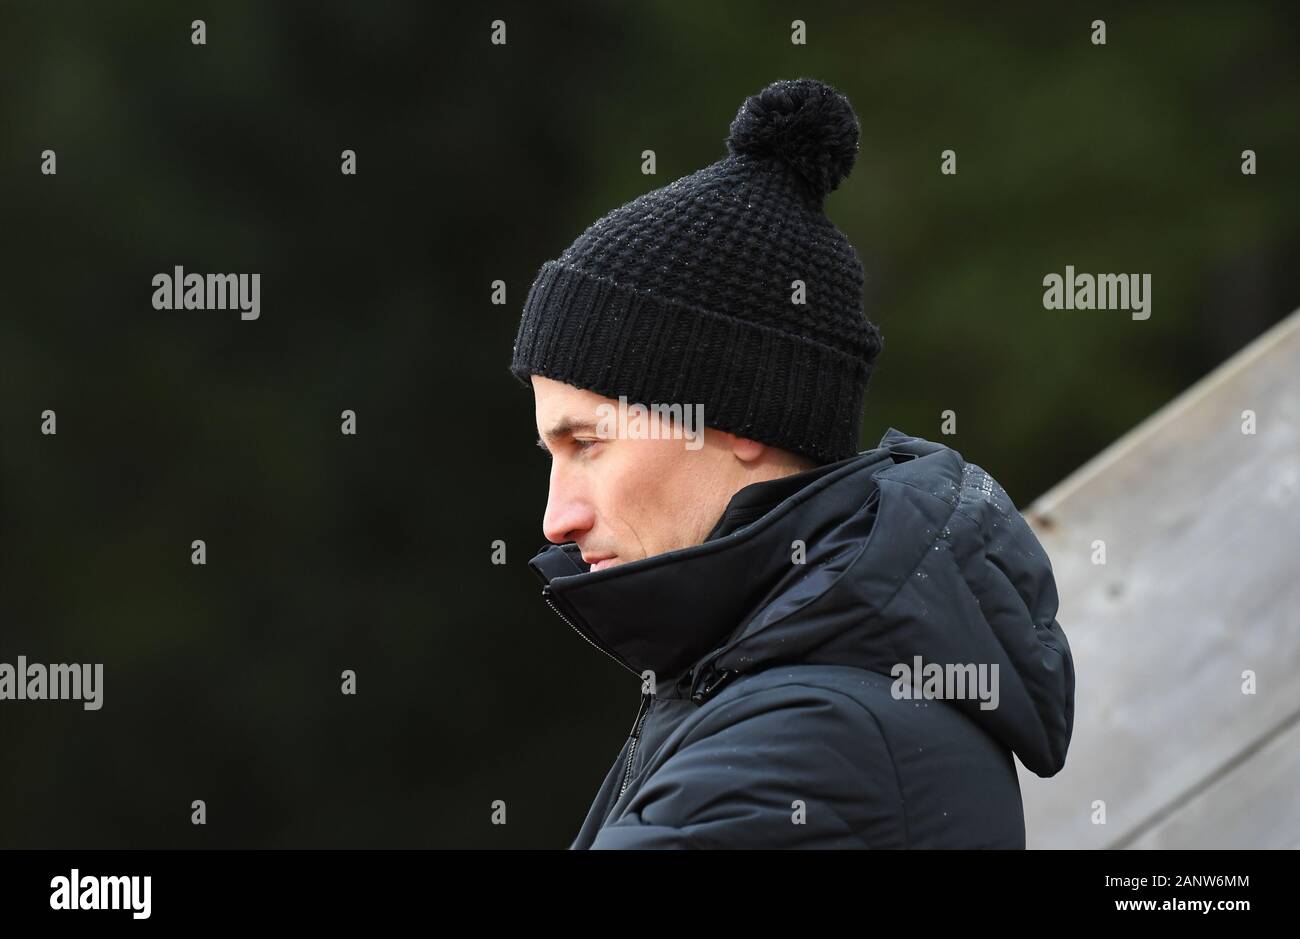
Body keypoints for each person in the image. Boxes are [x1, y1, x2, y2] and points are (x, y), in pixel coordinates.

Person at [509, 77, 1075, 849]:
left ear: (734, 418)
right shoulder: (771, 679)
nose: (556, 517)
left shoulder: (812, 742)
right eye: (551, 453)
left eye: (587, 443)